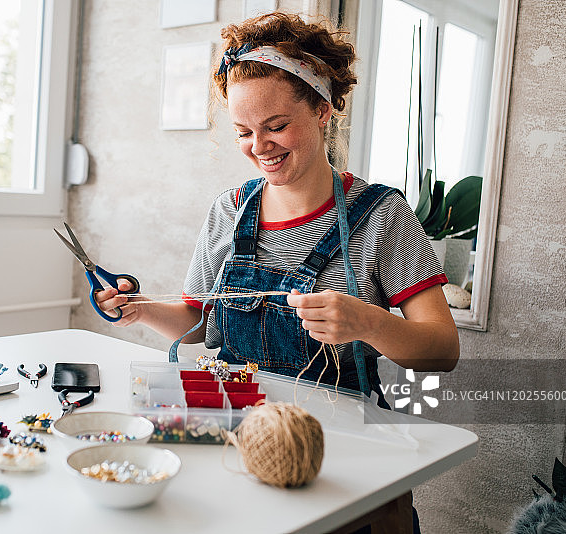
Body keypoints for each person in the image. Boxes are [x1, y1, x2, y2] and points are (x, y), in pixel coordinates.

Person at [97, 12, 459, 398]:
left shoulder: (381, 215)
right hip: (237, 422)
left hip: (337, 433)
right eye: (243, 132)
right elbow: (199, 323)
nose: (258, 146)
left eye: (276, 126)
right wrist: (140, 307)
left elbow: (442, 350)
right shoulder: (230, 210)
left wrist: (370, 323)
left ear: (321, 110)